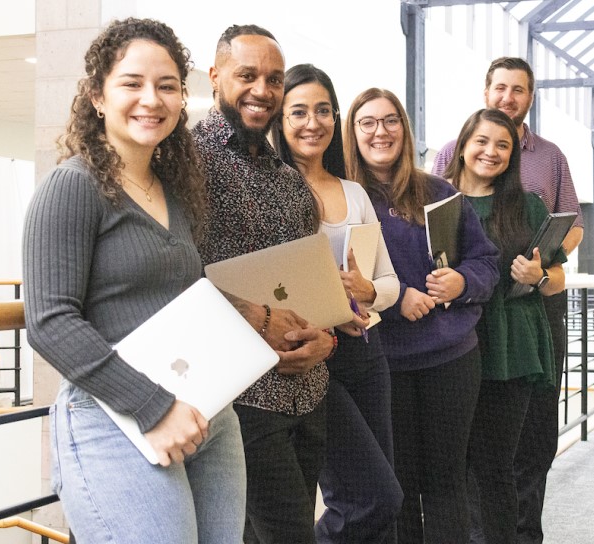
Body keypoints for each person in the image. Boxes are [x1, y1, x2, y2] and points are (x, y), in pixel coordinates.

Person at [23, 18, 245, 543]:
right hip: (115, 416)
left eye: (167, 86)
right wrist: (154, 407)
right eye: (132, 83)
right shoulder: (71, 186)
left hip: (204, 411)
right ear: (98, 96)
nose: (152, 98)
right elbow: (50, 322)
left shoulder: (173, 188)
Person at [193, 25, 336, 544]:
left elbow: (311, 283)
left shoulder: (286, 177)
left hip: (307, 391)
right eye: (246, 75)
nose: (262, 90)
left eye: (274, 79)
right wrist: (256, 318)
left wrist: (327, 337)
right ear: (215, 77)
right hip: (241, 400)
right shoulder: (184, 163)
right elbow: (175, 279)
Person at [432, 57, 583, 543]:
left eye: (502, 146)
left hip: (512, 349)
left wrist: (540, 276)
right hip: (451, 347)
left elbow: (558, 275)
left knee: (496, 468)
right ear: (461, 147)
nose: (490, 152)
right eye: (481, 142)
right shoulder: (435, 199)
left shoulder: (529, 203)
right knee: (451, 470)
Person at [344, 87, 500, 543]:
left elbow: (485, 262)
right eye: (367, 122)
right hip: (382, 363)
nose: (380, 131)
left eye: (390, 120)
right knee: (399, 488)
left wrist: (462, 283)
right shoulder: (346, 197)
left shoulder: (438, 191)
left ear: (404, 129)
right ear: (352, 132)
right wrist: (398, 297)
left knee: (447, 484)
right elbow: (340, 278)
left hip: (450, 358)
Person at [271, 64, 404, 543]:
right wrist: (334, 309)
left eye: (324, 111)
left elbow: (386, 281)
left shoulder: (354, 192)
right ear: (280, 120)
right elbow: (273, 285)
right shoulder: (273, 189)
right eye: (300, 111)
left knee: (384, 510)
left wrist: (370, 296)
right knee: (372, 497)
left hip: (367, 355)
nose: (313, 123)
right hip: (315, 358)